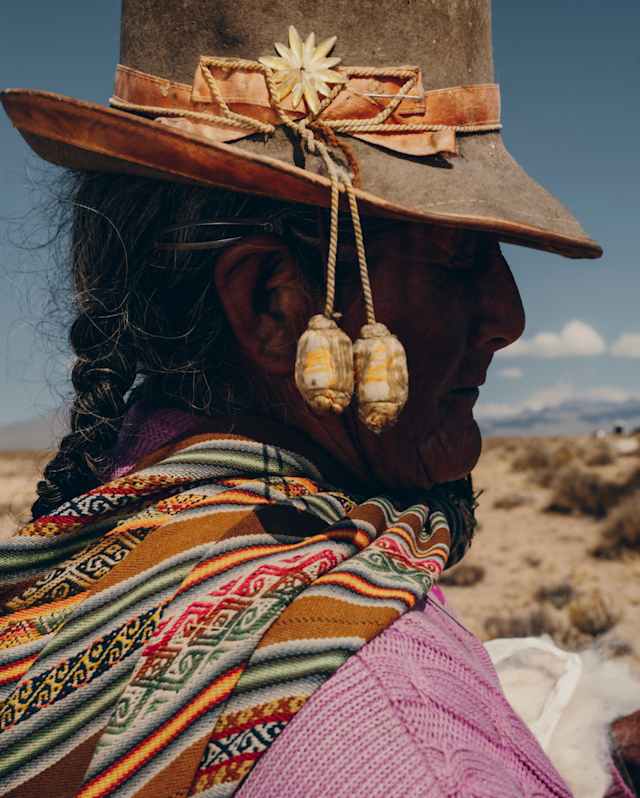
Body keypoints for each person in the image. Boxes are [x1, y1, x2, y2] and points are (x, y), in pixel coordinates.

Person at [0, 1, 635, 796]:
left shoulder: (87, 568)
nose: (510, 317)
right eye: (457, 257)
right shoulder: (408, 740)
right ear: (274, 304)